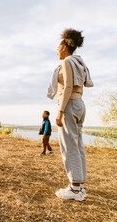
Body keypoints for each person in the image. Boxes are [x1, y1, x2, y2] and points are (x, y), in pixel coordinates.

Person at [47, 29, 93, 201]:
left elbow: (67, 87)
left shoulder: (67, 61)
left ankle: (74, 189)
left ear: (65, 46)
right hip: (80, 105)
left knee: (69, 146)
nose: (57, 50)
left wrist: (59, 112)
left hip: (69, 105)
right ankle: (79, 186)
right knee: (78, 144)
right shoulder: (79, 61)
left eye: (58, 46)